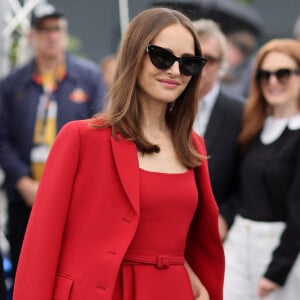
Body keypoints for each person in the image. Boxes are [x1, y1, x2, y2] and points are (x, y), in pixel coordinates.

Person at [12, 7, 225, 300]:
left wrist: (192, 279)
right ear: (134, 56)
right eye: (162, 56)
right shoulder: (80, 138)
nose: (175, 71)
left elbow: (187, 242)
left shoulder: (193, 146)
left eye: (189, 63)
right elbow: (40, 248)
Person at [0, 2, 105, 282]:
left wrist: (69, 184)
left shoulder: (88, 77)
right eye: (44, 29)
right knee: (28, 272)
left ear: (65, 33)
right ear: (31, 36)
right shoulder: (12, 84)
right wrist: (23, 182)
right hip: (25, 197)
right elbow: (2, 138)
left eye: (57, 29)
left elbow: (101, 131)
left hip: (74, 196)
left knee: (70, 271)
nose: (52, 36)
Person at [220, 38, 300, 299]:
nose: (273, 81)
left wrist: (277, 269)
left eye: (283, 74)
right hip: (239, 241)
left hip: (281, 249)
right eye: (265, 74)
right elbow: (242, 190)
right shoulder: (253, 127)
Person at [192, 19, 244, 228]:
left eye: (209, 60)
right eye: (193, 58)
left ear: (222, 64)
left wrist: (225, 218)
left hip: (214, 229)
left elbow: (248, 178)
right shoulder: (163, 105)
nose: (200, 67)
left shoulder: (239, 113)